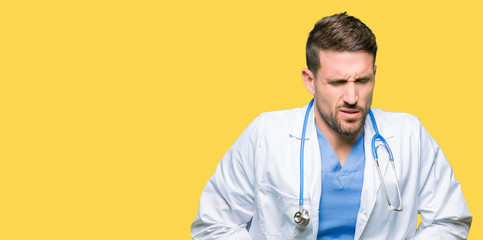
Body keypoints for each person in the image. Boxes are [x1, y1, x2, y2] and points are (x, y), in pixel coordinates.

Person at [191, 12, 472, 239]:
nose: (352, 98)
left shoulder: (409, 134)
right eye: (337, 83)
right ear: (309, 80)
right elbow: (212, 224)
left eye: (362, 81)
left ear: (374, 74)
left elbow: (450, 221)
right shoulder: (266, 134)